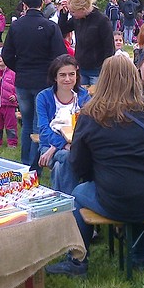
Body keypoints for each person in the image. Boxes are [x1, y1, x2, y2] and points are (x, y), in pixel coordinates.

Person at [46, 55, 144, 276]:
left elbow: (78, 164)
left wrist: (98, 175)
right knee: (131, 188)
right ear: (134, 77)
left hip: (119, 196)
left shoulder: (90, 114)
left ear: (104, 79)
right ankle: (141, 255)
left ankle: (77, 262)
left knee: (79, 194)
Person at [2, 0, 66, 171]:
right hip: (43, 81)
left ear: (24, 5)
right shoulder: (50, 27)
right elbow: (60, 56)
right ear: (42, 3)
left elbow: (7, 55)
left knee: (27, 123)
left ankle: (26, 163)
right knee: (40, 124)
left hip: (23, 80)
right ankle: (34, 167)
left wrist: (19, 68)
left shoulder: (16, 26)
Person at [36, 54, 90, 194]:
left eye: (71, 74)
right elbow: (44, 129)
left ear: (77, 75)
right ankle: (70, 198)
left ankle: (61, 198)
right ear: (55, 77)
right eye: (62, 75)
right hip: (48, 145)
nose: (67, 79)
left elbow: (88, 125)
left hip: (77, 145)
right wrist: (63, 145)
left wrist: (55, 148)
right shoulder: (43, 97)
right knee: (67, 157)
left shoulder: (83, 96)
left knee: (60, 165)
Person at [57, 0, 114, 85]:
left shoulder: (102, 20)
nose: (72, 14)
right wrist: (63, 14)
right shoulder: (77, 19)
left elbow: (109, 47)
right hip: (81, 67)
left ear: (83, 9)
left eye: (73, 12)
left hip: (97, 70)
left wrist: (106, 69)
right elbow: (62, 30)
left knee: (95, 94)